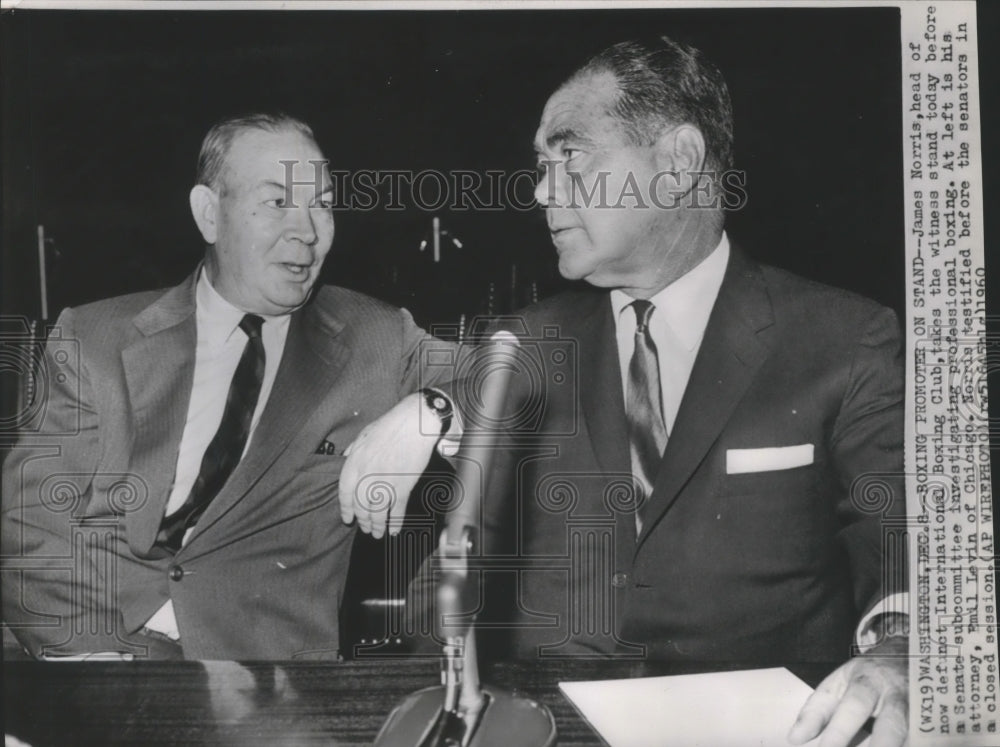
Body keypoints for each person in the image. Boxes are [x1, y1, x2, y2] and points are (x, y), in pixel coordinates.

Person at [347, 36, 908, 747]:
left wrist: (900, 652)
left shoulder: (845, 338)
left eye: (568, 155)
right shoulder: (526, 341)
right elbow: (451, 574)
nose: (542, 190)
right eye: (540, 166)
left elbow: (900, 537)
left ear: (677, 164)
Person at [1, 113, 454, 660]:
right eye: (278, 202)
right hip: (88, 650)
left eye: (322, 204)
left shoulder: (375, 338)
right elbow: (31, 527)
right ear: (210, 214)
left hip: (262, 678)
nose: (307, 231)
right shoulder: (95, 337)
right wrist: (98, 668)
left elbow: (517, 380)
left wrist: (431, 410)